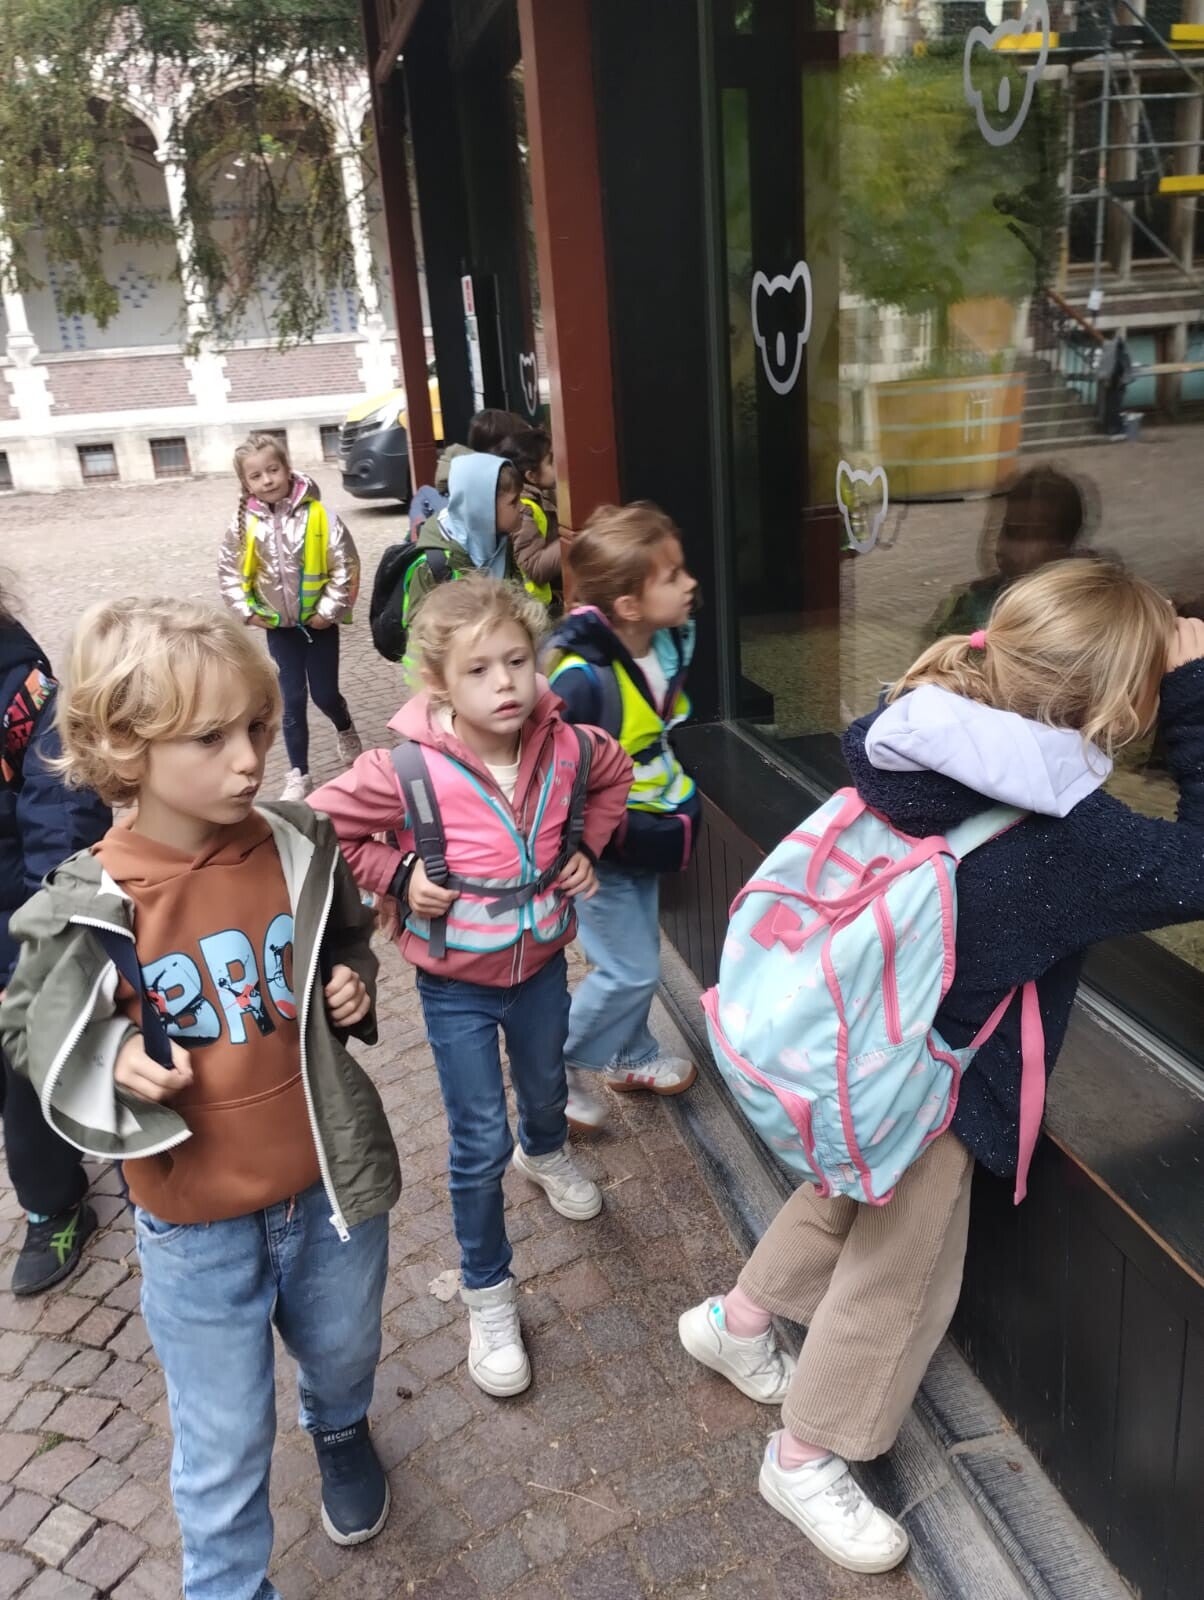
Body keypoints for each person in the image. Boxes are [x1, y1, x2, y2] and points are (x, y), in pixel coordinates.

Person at [677, 559, 1204, 1575]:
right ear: (1115, 707)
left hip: (861, 1049)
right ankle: (806, 1454)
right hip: (939, 1083)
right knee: (902, 1276)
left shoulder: (922, 729)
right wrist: (1195, 697)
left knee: (843, 1191)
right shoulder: (1070, 836)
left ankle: (738, 1322)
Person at [0, 598, 400, 1600]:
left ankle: (340, 1427)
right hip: (191, 1226)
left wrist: (349, 985)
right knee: (220, 1446)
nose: (248, 759)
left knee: (345, 1349)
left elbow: (346, 939)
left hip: (331, 1192)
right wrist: (105, 1055)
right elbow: (29, 1025)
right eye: (210, 739)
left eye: (257, 727)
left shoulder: (299, 843)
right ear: (124, 749)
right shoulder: (89, 899)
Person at [310, 575, 631, 1396]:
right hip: (455, 985)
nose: (505, 684)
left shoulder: (568, 746)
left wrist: (585, 845)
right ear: (439, 683)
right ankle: (488, 1291)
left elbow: (616, 773)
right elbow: (320, 828)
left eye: (518, 661)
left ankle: (546, 1151)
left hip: (543, 965)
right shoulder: (405, 769)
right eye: (479, 670)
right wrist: (397, 871)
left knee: (546, 1086)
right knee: (478, 1139)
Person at [545, 503, 703, 1130]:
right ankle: (551, 1068)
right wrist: (573, 849)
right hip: (597, 849)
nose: (690, 583)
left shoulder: (663, 642)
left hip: (642, 828)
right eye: (672, 575)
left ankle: (630, 1057)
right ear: (630, 606)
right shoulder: (582, 681)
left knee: (634, 956)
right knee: (630, 970)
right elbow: (551, 778)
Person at [0, 584, 109, 1296]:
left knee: (25, 1065)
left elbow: (62, 820)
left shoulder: (22, 689)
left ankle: (53, 1203)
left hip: (16, 922)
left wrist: (35, 945)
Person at [218, 431, 362, 804]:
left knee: (325, 695)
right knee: (291, 700)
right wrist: (248, 612)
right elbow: (229, 572)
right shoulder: (243, 525)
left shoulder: (319, 517)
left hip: (319, 626)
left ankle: (344, 726)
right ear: (245, 483)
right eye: (256, 475)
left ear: (287, 468)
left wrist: (328, 612)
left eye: (273, 470)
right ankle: (300, 773)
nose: (267, 481)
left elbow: (345, 565)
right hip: (280, 629)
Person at [925, 464, 1088, 641]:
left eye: (1024, 535)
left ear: (1061, 546)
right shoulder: (975, 603)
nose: (1003, 546)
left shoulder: (1080, 612)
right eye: (1007, 530)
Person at [402, 451, 526, 629]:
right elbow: (418, 635)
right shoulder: (433, 565)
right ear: (482, 508)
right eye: (514, 502)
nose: (522, 507)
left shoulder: (499, 543)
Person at [497, 424, 562, 608]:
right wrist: (571, 541)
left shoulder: (539, 497)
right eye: (551, 462)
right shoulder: (524, 509)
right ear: (531, 476)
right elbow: (534, 567)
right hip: (532, 606)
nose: (558, 466)